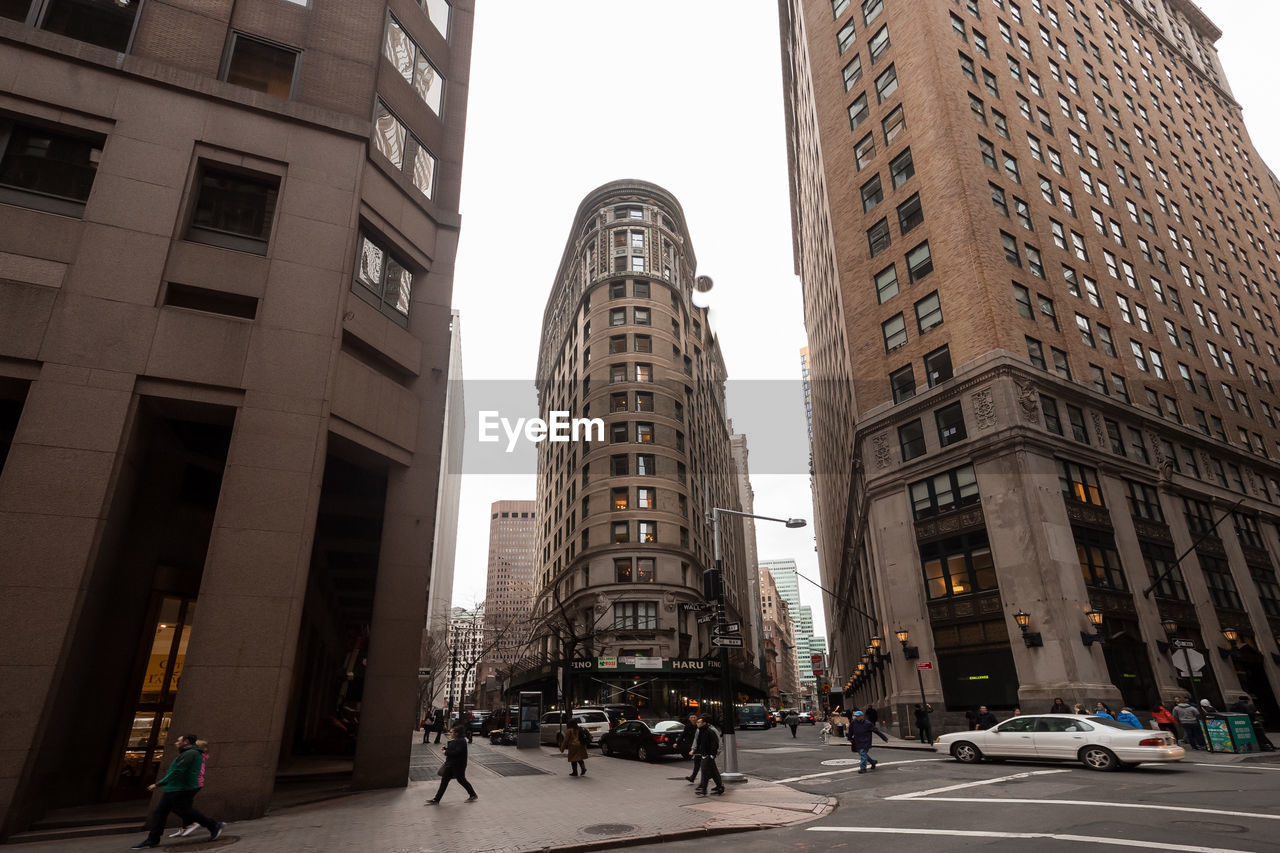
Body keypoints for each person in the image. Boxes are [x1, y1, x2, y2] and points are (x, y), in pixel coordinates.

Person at [130, 734, 224, 849]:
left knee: (183, 811)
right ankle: (153, 839)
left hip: (181, 788)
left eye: (179, 740)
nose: (176, 742)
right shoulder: (188, 753)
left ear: (186, 742)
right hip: (173, 788)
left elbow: (178, 771)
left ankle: (213, 825)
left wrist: (158, 784)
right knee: (160, 813)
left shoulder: (191, 753)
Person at [425, 726, 477, 804]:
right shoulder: (455, 740)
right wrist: (446, 749)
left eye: (451, 732)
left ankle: (473, 794)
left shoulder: (461, 741)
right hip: (450, 765)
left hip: (458, 765)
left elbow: (456, 752)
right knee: (444, 781)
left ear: (456, 733)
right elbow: (453, 750)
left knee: (461, 780)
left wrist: (445, 752)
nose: (450, 734)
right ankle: (436, 799)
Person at [693, 716, 725, 796]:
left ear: (704, 723)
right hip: (704, 754)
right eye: (697, 722)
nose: (697, 723)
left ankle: (704, 790)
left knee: (704, 772)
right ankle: (720, 787)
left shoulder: (710, 731)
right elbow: (700, 743)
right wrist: (696, 751)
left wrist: (712, 755)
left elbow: (715, 744)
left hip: (708, 755)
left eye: (699, 722)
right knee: (714, 772)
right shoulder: (701, 731)